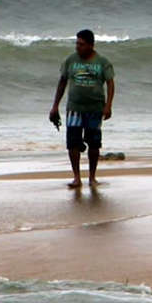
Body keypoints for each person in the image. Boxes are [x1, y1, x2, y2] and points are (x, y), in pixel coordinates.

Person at [49, 29, 115, 188]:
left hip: (95, 108)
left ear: (91, 45)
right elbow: (62, 82)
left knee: (94, 143)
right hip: (74, 108)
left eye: (81, 44)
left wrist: (108, 106)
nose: (77, 47)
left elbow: (110, 84)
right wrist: (55, 106)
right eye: (77, 43)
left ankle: (92, 178)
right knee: (72, 143)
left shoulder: (102, 62)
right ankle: (76, 177)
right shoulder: (70, 60)